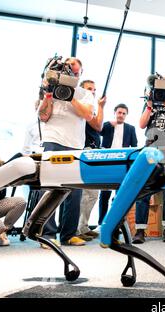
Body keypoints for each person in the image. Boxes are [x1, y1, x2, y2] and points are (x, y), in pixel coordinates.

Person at [37, 57, 95, 248]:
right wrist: (48, 95)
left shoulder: (85, 94)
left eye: (77, 73)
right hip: (53, 139)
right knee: (49, 188)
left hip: (75, 143)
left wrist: (70, 96)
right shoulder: (50, 89)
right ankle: (47, 234)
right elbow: (43, 116)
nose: (74, 75)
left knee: (74, 191)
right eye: (71, 71)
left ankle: (68, 235)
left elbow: (87, 114)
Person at [132, 75, 165, 244]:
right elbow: (141, 125)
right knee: (144, 191)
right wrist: (149, 105)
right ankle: (140, 231)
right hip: (150, 150)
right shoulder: (149, 105)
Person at [97, 104, 137, 231]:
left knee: (119, 195)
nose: (121, 115)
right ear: (115, 113)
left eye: (124, 113)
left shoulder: (130, 128)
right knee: (104, 194)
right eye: (119, 112)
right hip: (107, 162)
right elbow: (99, 131)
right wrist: (109, 123)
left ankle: (117, 224)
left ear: (126, 115)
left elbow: (134, 146)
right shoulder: (108, 125)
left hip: (122, 164)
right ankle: (100, 224)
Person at [76, 80, 106, 241]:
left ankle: (83, 226)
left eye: (94, 89)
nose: (93, 92)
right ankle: (77, 228)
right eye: (89, 89)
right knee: (86, 193)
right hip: (85, 151)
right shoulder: (83, 107)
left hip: (94, 151)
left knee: (93, 193)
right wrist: (101, 107)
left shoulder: (90, 108)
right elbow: (98, 126)